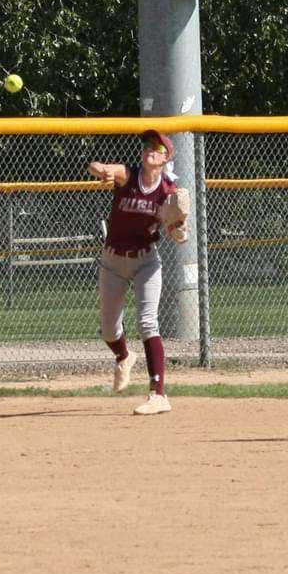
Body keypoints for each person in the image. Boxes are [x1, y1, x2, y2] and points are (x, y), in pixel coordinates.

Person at [87, 129, 189, 416]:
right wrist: (102, 171)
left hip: (146, 262)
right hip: (112, 261)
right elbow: (96, 166)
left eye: (157, 147)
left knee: (147, 323)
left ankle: (158, 394)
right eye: (146, 145)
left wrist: (178, 230)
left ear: (166, 157)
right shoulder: (128, 176)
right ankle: (124, 356)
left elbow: (176, 230)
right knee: (108, 330)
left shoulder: (168, 192)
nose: (149, 150)